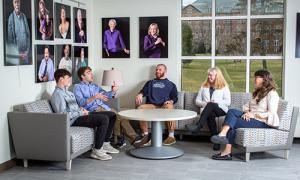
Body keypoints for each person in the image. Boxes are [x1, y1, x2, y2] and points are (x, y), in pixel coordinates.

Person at [51, 69, 119, 161]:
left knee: (111, 115)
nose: (70, 80)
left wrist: (81, 110)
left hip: (79, 115)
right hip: (73, 120)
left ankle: (105, 143)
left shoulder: (69, 93)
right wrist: (80, 112)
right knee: (103, 119)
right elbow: (62, 114)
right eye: (67, 78)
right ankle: (97, 150)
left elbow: (74, 107)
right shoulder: (58, 94)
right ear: (60, 79)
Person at [210, 69, 279, 160]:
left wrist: (253, 115)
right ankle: (225, 146)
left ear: (264, 79)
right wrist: (247, 113)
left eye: (257, 77)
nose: (254, 79)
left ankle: (224, 142)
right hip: (253, 119)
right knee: (232, 112)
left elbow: (271, 112)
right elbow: (246, 106)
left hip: (263, 123)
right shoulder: (258, 92)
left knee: (232, 119)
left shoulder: (272, 93)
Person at [73, 66, 138, 148]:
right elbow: (81, 103)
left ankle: (119, 138)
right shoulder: (77, 87)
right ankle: (132, 138)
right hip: (93, 110)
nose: (91, 74)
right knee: (116, 115)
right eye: (88, 72)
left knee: (121, 115)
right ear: (82, 76)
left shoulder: (95, 86)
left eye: (91, 72)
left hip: (104, 107)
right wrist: (95, 97)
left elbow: (105, 95)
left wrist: (113, 91)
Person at [186, 67, 231, 151]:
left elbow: (228, 102)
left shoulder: (224, 86)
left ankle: (198, 126)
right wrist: (205, 104)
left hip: (220, 110)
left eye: (211, 75)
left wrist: (215, 102)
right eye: (208, 75)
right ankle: (216, 142)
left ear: (217, 76)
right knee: (210, 114)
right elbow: (197, 101)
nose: (209, 77)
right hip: (208, 110)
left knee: (211, 104)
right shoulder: (204, 86)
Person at [134, 64, 178, 147]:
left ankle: (171, 136)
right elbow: (143, 91)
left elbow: (175, 97)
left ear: (165, 71)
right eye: (156, 69)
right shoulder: (150, 83)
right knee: (140, 108)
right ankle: (146, 136)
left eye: (160, 70)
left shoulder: (171, 84)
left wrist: (170, 101)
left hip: (164, 106)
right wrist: (140, 94)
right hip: (152, 105)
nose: (157, 71)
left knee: (170, 106)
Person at [7, 0, 31, 65]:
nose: (17, 4)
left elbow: (28, 35)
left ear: (20, 3)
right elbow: (10, 39)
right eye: (15, 2)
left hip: (25, 55)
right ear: (13, 4)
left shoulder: (24, 16)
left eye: (18, 2)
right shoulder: (11, 18)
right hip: (17, 55)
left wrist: (27, 51)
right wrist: (17, 53)